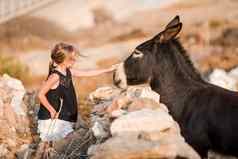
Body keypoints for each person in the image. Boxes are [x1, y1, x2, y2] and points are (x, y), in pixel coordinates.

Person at [37, 42, 117, 142]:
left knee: (75, 139)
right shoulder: (55, 76)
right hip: (52, 119)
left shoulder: (68, 71)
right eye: (72, 58)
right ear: (63, 60)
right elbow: (41, 95)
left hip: (63, 116)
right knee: (71, 141)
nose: (75, 60)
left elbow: (87, 73)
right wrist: (52, 111)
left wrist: (107, 70)